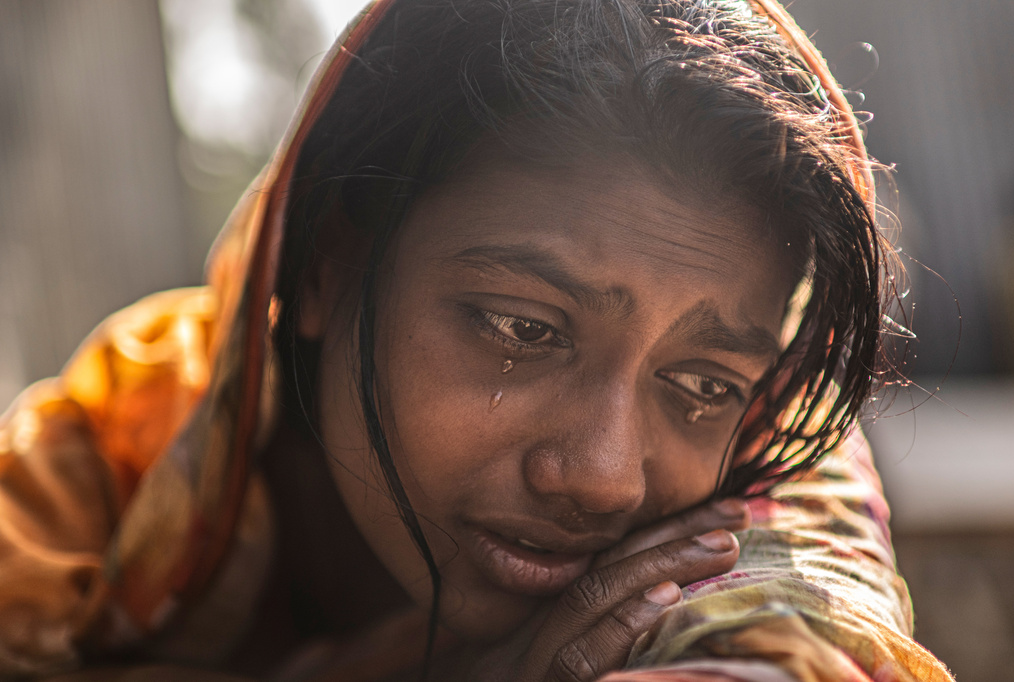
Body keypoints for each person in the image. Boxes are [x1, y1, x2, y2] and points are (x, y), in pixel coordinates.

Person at [0, 0, 953, 680]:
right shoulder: (87, 488)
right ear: (330, 264)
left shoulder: (764, 468)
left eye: (700, 384)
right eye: (522, 329)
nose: (605, 476)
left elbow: (801, 635)